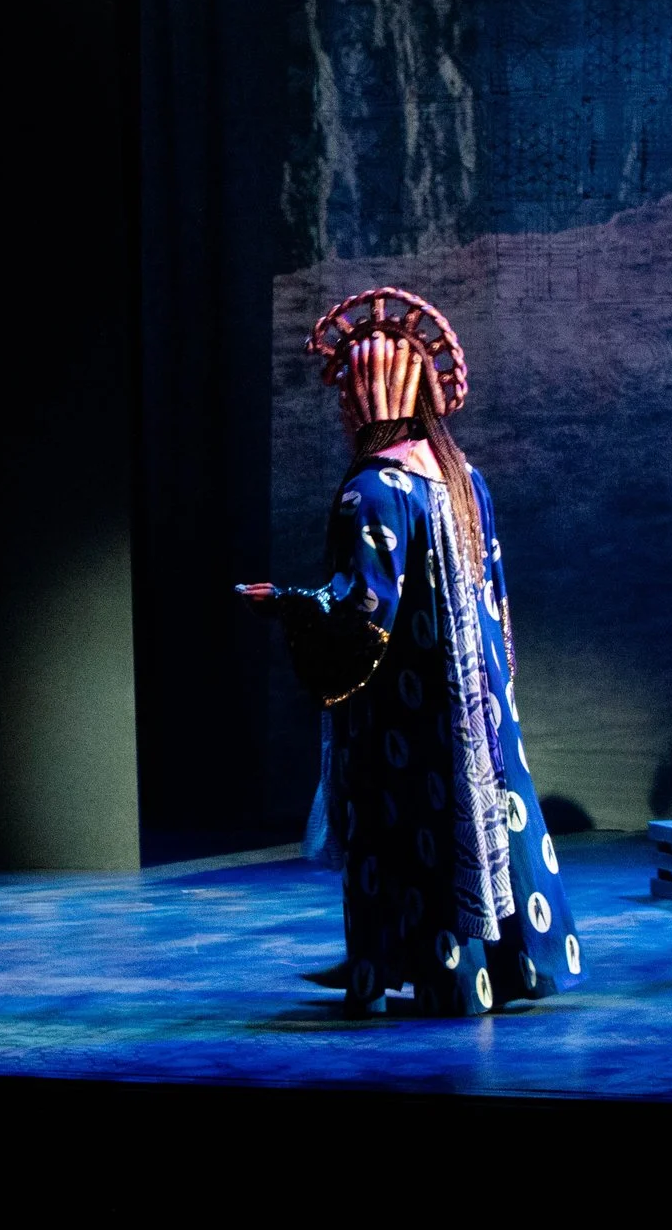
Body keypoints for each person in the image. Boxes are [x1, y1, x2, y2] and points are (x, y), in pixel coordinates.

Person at [238, 287, 581, 1015]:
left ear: (367, 397)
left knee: (405, 826)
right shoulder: (464, 479)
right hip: (478, 701)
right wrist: (496, 691)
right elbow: (497, 599)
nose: (341, 410)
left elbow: (366, 609)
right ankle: (495, 967)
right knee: (483, 814)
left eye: (346, 396)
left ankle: (416, 965)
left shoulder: (372, 489)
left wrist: (291, 605)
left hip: (408, 706)